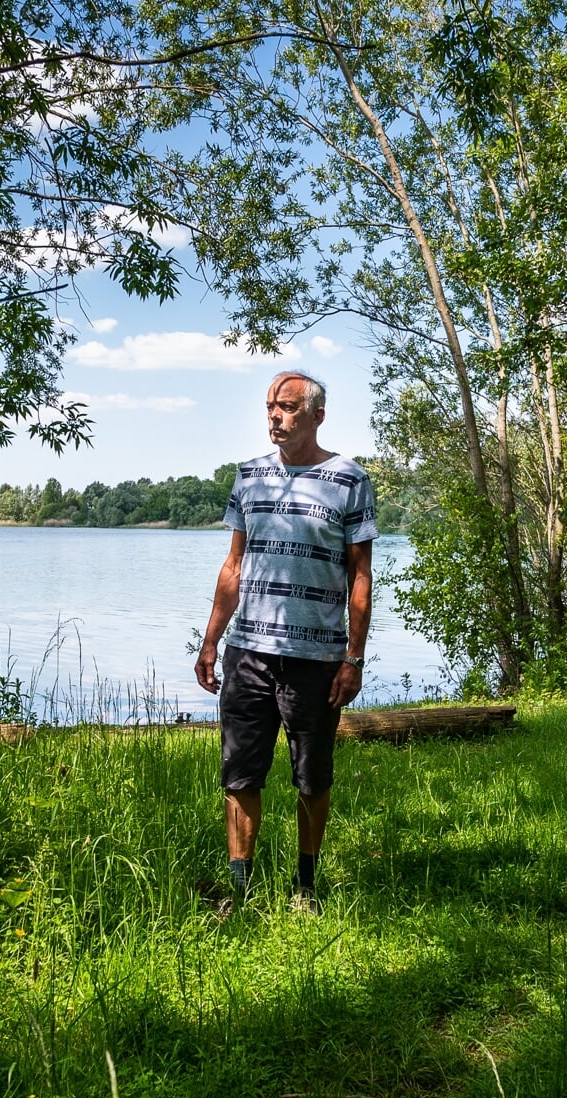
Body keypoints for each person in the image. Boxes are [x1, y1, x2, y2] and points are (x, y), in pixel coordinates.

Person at [194, 371, 376, 915]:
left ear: (317, 415)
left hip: (317, 657)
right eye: (271, 405)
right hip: (248, 651)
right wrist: (210, 643)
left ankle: (305, 888)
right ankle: (241, 889)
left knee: (311, 775)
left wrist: (353, 658)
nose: (276, 415)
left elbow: (360, 575)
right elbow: (233, 565)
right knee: (240, 771)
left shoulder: (349, 480)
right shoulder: (249, 476)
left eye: (288, 407)